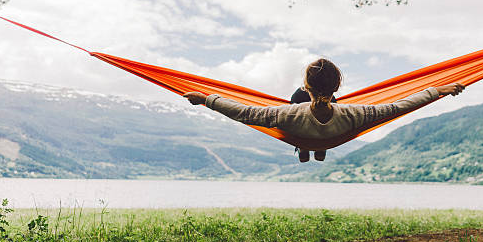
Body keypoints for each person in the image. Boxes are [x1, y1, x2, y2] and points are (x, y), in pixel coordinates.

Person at [183, 58, 465, 163]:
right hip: (333, 132)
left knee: (293, 101)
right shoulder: (355, 114)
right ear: (337, 86)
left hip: (298, 129)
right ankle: (318, 149)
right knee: (320, 118)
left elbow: (244, 112)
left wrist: (206, 99)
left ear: (307, 85)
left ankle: (304, 148)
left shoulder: (285, 114)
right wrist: (437, 92)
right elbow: (397, 106)